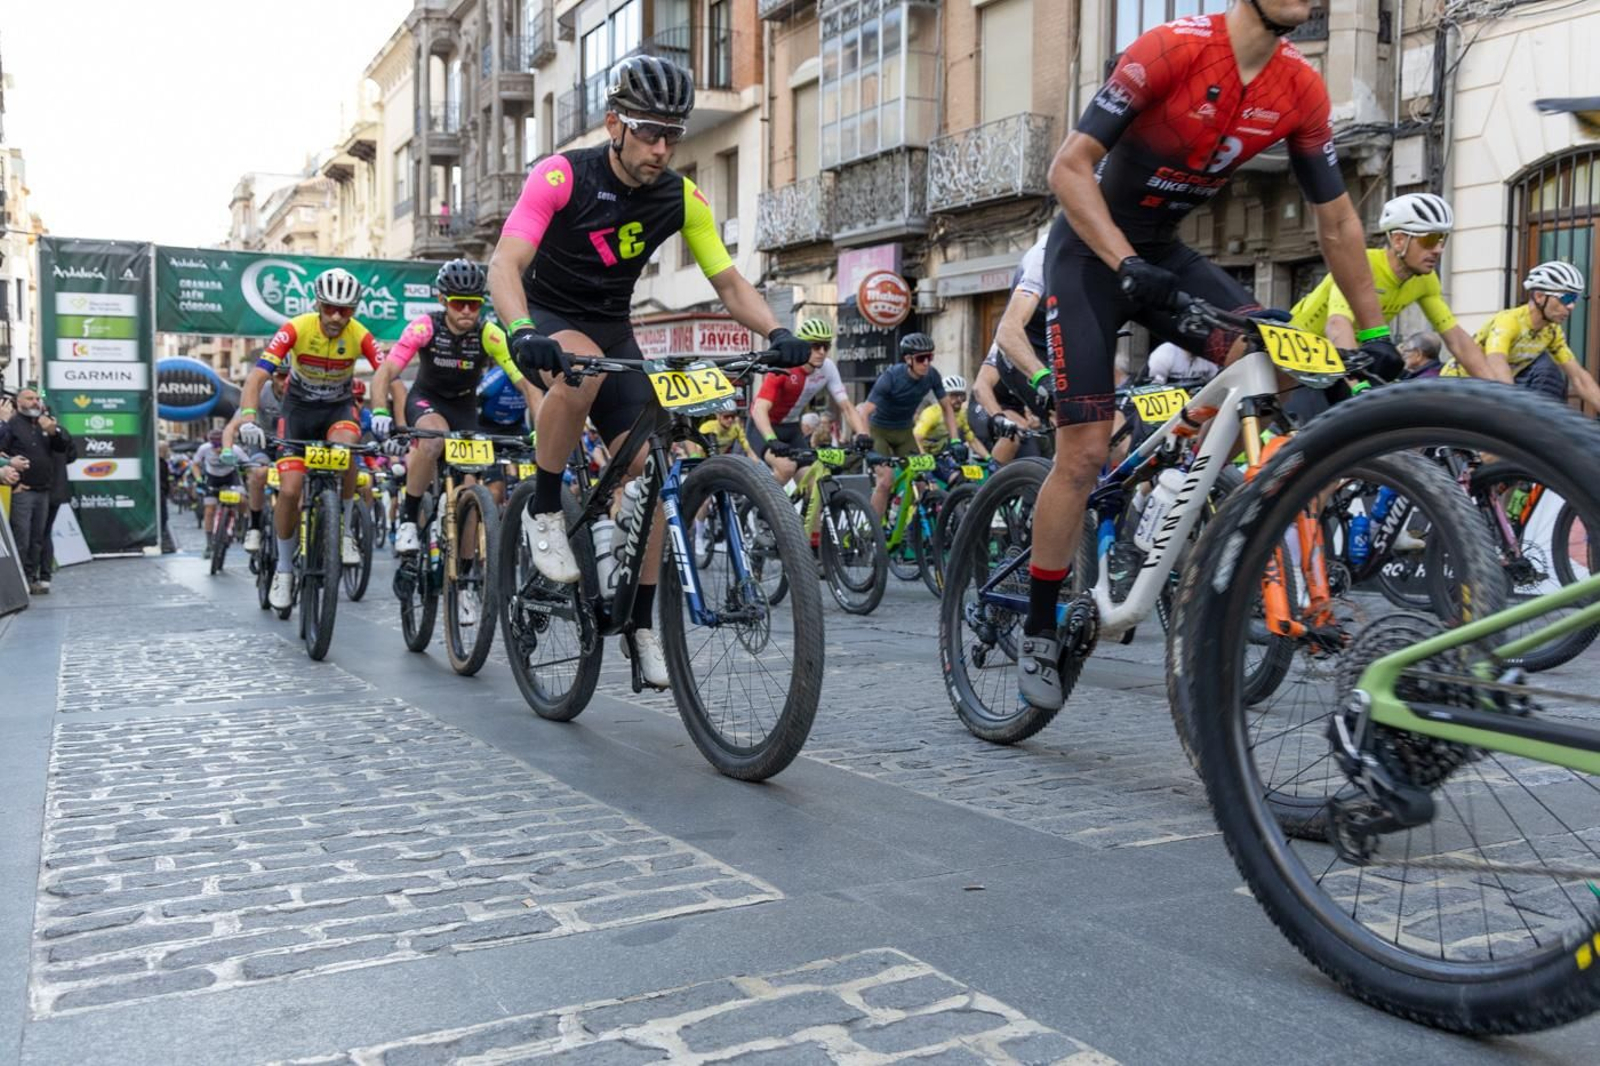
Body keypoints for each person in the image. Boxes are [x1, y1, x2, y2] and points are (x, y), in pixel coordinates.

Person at [1017, 0, 1406, 713]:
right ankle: (1040, 625)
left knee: (1280, 360)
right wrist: (1124, 262)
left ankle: (1180, 481)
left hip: (1166, 257)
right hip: (1090, 257)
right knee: (1083, 451)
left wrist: (1377, 334)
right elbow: (1068, 168)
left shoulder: (1300, 88)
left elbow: (1337, 220)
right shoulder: (1168, 50)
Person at [486, 54, 809, 689]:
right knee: (580, 371)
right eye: (649, 132)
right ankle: (544, 509)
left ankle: (639, 621)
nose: (661, 148)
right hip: (549, 316)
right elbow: (505, 263)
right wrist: (522, 331)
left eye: (672, 135)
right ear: (615, 124)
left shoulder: (680, 197)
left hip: (614, 326)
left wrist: (775, 331)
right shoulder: (561, 176)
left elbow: (729, 282)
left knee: (659, 468)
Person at [371, 259, 543, 559]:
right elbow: (386, 372)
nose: (466, 311)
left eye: (473, 304)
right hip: (427, 401)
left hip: (464, 408)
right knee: (434, 439)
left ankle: (464, 571)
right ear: (443, 300)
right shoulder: (425, 326)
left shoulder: (489, 333)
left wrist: (542, 429)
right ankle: (408, 519)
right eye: (458, 303)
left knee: (472, 492)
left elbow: (527, 384)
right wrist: (380, 411)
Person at [236, 267, 381, 610]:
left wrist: (384, 413)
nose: (335, 317)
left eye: (344, 310)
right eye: (329, 308)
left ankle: (345, 532)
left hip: (336, 411)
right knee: (289, 490)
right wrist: (249, 417)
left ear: (353, 310)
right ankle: (284, 570)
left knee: (347, 448)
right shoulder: (295, 328)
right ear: (317, 304)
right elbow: (257, 377)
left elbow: (387, 374)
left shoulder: (360, 334)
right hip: (298, 414)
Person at [1290, 192, 1504, 384]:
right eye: (1429, 239)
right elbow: (1338, 325)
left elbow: (1457, 340)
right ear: (1399, 240)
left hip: (1344, 358)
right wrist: (1357, 386)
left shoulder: (1425, 280)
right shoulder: (1362, 264)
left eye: (1442, 239)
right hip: (1298, 351)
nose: (1438, 249)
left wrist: (1498, 391)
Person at [1445, 261, 1600, 408]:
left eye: (1574, 298)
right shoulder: (1509, 321)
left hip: (1485, 392)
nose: (1571, 306)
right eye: (1566, 298)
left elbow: (1579, 378)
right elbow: (1496, 362)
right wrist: (1514, 404)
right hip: (1454, 386)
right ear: (1539, 296)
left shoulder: (1551, 332)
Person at [748, 317, 870, 485]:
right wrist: (771, 439)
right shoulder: (784, 367)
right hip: (764, 427)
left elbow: (847, 407)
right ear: (803, 346)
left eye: (826, 346)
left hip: (792, 429)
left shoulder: (828, 368)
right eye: (815, 346)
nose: (822, 352)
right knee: (786, 468)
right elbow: (759, 408)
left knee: (813, 482)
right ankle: (760, 500)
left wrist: (862, 433)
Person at [860, 333, 961, 517]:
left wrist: (955, 440)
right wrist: (867, 444)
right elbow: (864, 412)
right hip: (879, 431)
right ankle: (872, 530)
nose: (926, 363)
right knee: (886, 480)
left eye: (930, 357)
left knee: (922, 480)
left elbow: (947, 407)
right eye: (921, 358)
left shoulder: (932, 375)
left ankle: (920, 527)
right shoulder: (891, 377)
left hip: (905, 432)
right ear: (908, 359)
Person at [0, 387, 68, 594]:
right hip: (23, 490)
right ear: (19, 402)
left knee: (38, 538)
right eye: (30, 398)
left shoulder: (44, 423)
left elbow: (63, 449)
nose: (35, 401)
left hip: (43, 490)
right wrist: (14, 484)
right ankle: (19, 581)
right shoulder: (12, 424)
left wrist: (54, 432)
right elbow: (3, 453)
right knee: (22, 537)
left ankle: (32, 578)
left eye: (37, 398)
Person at [224, 363, 290, 552]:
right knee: (259, 474)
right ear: (272, 377)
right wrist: (227, 449)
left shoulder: (299, 393)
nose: (285, 381)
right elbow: (232, 426)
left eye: (289, 376)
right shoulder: (260, 393)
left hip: (289, 446)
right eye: (280, 376)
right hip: (262, 445)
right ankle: (254, 527)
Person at [40, 403, 78, 581]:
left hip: (44, 489)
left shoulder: (39, 433)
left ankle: (40, 573)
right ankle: (44, 573)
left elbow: (71, 455)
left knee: (38, 533)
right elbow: (72, 456)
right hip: (55, 489)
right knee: (45, 532)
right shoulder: (62, 432)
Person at [913, 375, 989, 459]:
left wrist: (989, 458)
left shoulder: (961, 414)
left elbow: (972, 440)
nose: (959, 399)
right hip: (919, 453)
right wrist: (924, 457)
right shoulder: (932, 413)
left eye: (962, 396)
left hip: (939, 454)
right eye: (954, 395)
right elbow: (916, 438)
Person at [1145, 341, 1219, 385]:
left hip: (1196, 399)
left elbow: (1215, 380)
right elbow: (1156, 384)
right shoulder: (1165, 352)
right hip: (1168, 398)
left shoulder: (1208, 354)